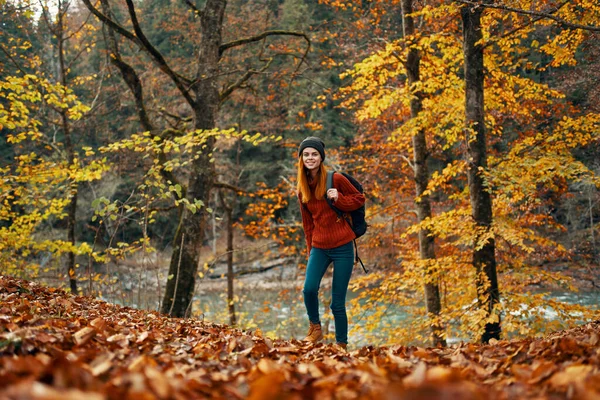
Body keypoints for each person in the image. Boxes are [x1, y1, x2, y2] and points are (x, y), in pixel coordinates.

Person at [296, 136, 365, 351]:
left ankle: (341, 345)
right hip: (319, 247)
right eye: (306, 154)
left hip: (343, 246)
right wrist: (310, 252)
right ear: (301, 158)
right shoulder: (302, 189)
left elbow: (360, 199)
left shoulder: (335, 179)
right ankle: (315, 327)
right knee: (308, 289)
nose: (310, 158)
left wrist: (339, 199)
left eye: (314, 154)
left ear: (321, 157)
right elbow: (308, 225)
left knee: (337, 303)